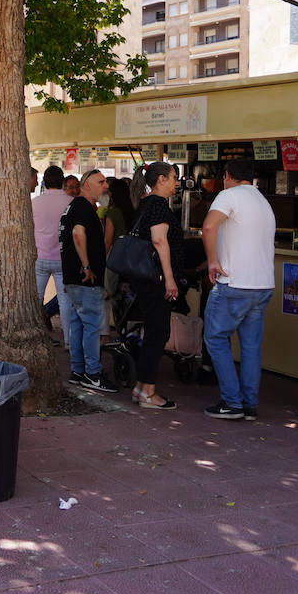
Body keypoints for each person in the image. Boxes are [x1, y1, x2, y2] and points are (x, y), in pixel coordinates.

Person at [201, 157, 276, 420]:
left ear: (227, 176)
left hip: (235, 282)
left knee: (215, 338)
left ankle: (232, 403)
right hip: (263, 284)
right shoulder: (263, 202)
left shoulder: (228, 195)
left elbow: (208, 226)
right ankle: (249, 404)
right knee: (251, 347)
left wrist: (212, 261)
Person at [125, 163, 180, 409]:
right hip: (156, 281)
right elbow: (159, 241)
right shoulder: (158, 205)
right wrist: (169, 278)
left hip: (145, 281)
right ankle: (148, 391)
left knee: (154, 333)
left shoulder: (145, 203)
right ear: (160, 179)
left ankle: (141, 388)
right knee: (158, 334)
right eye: (173, 178)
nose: (176, 183)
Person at [60, 170, 119, 392]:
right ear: (86, 185)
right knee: (93, 326)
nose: (105, 186)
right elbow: (77, 234)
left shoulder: (74, 207)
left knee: (78, 325)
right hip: (84, 277)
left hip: (74, 277)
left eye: (105, 182)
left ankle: (78, 371)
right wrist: (86, 266)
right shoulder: (83, 207)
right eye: (100, 182)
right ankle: (92, 374)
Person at [32, 165, 73, 344]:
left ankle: (37, 337)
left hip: (40, 256)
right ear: (62, 181)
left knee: (36, 299)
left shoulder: (35, 202)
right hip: (63, 259)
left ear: (44, 182)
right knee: (65, 301)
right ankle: (68, 341)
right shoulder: (71, 202)